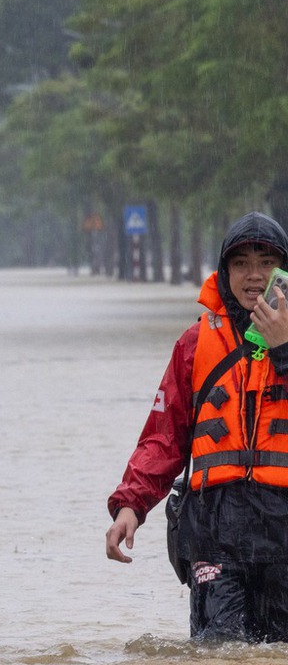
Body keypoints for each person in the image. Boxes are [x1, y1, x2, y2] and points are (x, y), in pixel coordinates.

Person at [105, 213, 288, 641]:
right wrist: (130, 505)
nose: (254, 275)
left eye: (266, 261)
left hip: (284, 532)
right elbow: (162, 437)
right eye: (241, 263)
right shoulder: (194, 344)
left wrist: (284, 352)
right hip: (214, 533)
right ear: (224, 273)